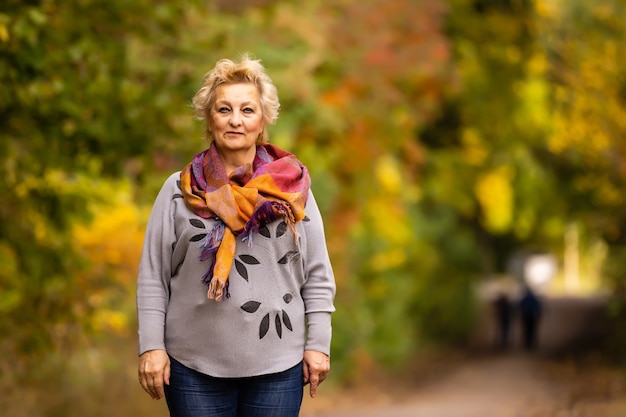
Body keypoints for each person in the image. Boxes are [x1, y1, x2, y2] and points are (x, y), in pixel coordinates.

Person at [136, 54, 336, 417]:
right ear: (209, 119)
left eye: (247, 110)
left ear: (262, 122)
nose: (235, 120)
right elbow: (153, 276)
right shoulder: (179, 190)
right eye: (224, 109)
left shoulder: (291, 190)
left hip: (278, 364)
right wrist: (151, 347)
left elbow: (318, 274)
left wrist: (318, 344)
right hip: (191, 365)